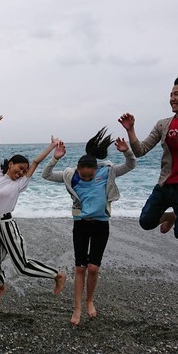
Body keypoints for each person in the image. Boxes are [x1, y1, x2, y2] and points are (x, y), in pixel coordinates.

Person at [42, 128, 135, 325]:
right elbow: (46, 175)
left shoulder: (107, 171)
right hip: (81, 226)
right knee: (80, 269)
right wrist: (55, 158)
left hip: (101, 225)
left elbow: (130, 165)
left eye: (89, 176)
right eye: (83, 176)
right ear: (78, 169)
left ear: (95, 169)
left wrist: (127, 151)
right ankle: (77, 308)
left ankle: (89, 301)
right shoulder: (71, 175)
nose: (86, 178)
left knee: (93, 268)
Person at [118, 74, 178, 242]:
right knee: (146, 222)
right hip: (166, 184)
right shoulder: (163, 124)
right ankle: (172, 215)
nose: (172, 98)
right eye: (171, 95)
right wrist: (130, 130)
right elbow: (141, 150)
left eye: (176, 94)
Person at [0, 115, 66, 303]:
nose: (21, 172)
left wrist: (52, 146)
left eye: (24, 170)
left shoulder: (20, 183)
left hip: (7, 224)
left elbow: (36, 162)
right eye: (19, 168)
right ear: (11, 164)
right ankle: (1, 287)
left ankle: (57, 275)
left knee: (22, 266)